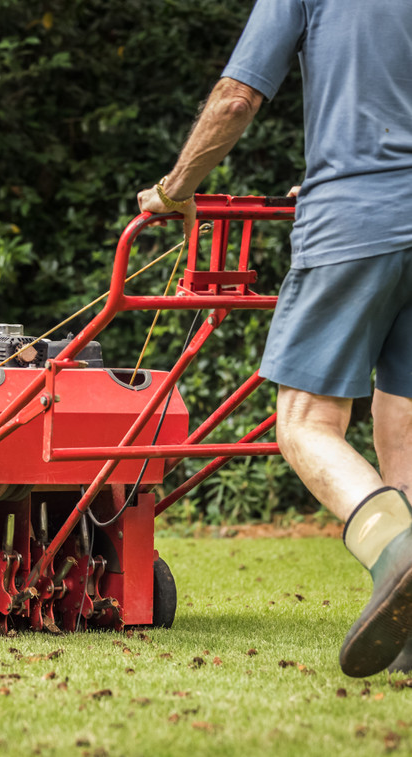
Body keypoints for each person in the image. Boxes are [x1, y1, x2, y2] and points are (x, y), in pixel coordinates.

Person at [137, 0, 412, 678]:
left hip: (356, 218)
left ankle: (399, 548)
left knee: (305, 423)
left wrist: (175, 190)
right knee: (403, 421)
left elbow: (235, 100)